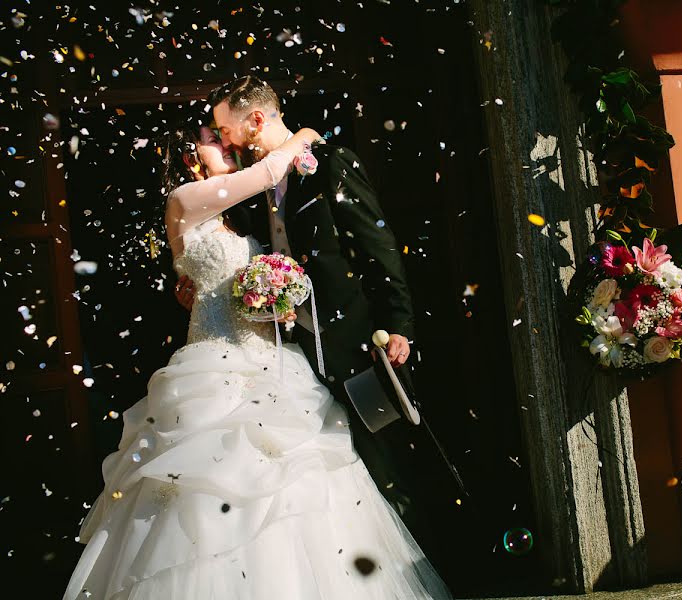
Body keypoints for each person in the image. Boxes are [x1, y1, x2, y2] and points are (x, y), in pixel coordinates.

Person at [63, 115, 452, 599]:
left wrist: (275, 293)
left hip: (271, 359)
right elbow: (268, 173)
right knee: (211, 485)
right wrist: (305, 135)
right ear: (189, 157)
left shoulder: (235, 215)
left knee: (298, 482)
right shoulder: (183, 200)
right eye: (213, 141)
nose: (226, 145)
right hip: (212, 363)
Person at [175, 76, 450, 546]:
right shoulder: (244, 188)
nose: (222, 139)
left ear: (256, 119)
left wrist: (398, 325)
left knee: (389, 467)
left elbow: (378, 247)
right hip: (292, 360)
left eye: (225, 128)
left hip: (356, 345)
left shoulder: (330, 165)